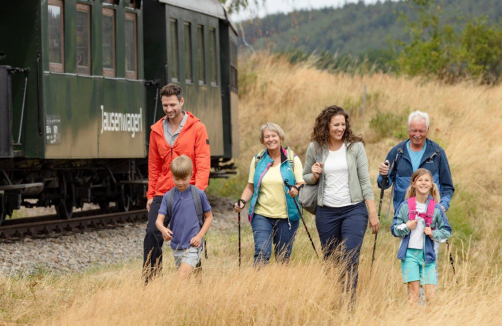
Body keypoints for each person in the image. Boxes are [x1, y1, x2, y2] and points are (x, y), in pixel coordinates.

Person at [303, 105, 379, 299]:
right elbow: (305, 177)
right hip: (326, 212)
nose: (340, 128)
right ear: (326, 126)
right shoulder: (316, 148)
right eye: (336, 124)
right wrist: (314, 174)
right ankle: (334, 296)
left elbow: (364, 181)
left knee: (350, 256)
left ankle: (349, 302)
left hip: (354, 209)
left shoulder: (355, 147)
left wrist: (372, 212)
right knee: (331, 259)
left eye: (343, 124)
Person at [144, 83, 210, 281]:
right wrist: (150, 195)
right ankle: (150, 281)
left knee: (191, 238)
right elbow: (154, 165)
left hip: (188, 191)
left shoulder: (197, 128)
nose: (169, 109)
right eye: (165, 105)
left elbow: (203, 162)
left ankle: (196, 282)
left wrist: (197, 193)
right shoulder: (156, 130)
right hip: (163, 191)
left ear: (181, 102)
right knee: (152, 234)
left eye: (173, 104)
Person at [234, 122, 305, 265]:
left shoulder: (292, 159)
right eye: (267, 136)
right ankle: (258, 286)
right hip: (262, 215)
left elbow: (301, 183)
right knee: (261, 253)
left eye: (274, 135)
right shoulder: (258, 159)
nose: (271, 139)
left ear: (280, 138)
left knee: (283, 258)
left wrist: (295, 189)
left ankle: (279, 286)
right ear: (262, 140)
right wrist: (242, 201)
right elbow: (250, 187)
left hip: (287, 217)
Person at [391, 168, 452, 305]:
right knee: (414, 294)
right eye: (420, 180)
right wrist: (407, 226)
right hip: (409, 255)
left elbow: (446, 231)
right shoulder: (405, 206)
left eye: (427, 180)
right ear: (413, 183)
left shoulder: (436, 208)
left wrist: (433, 233)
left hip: (428, 256)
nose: (423, 183)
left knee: (430, 295)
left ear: (431, 184)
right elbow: (394, 229)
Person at [377, 110, 455, 213]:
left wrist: (443, 206)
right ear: (408, 129)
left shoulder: (437, 153)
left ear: (427, 130)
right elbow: (383, 184)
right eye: (414, 130)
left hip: (430, 216)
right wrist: (383, 174)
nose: (417, 134)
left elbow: (448, 187)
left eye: (421, 131)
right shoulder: (397, 152)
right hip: (403, 216)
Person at [155, 155, 213, 279]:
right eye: (176, 179)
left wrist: (199, 236)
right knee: (192, 279)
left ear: (191, 174)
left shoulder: (198, 194)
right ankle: (198, 294)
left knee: (181, 277)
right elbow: (158, 221)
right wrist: (163, 230)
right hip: (176, 246)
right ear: (172, 175)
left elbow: (209, 217)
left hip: (193, 245)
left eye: (184, 179)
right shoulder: (168, 197)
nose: (180, 183)